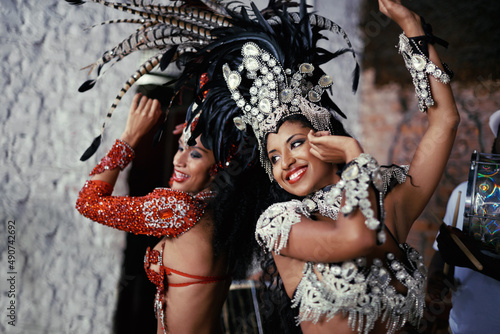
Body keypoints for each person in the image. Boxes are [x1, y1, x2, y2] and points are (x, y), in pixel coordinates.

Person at [177, 0, 458, 332]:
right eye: (275, 156)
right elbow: (358, 238)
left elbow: (444, 122)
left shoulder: (387, 201)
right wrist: (354, 157)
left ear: (324, 137)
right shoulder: (281, 223)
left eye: (295, 144)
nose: (287, 162)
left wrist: (411, 26)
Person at [75, 92, 270, 334]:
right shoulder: (225, 214)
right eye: (180, 147)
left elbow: (89, 202)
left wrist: (130, 136)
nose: (179, 160)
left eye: (195, 154)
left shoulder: (181, 211)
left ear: (220, 167)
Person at [426, 109, 500, 334]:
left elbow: (466, 258)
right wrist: (437, 279)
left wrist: (475, 259)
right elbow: (443, 254)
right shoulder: (463, 194)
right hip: (464, 327)